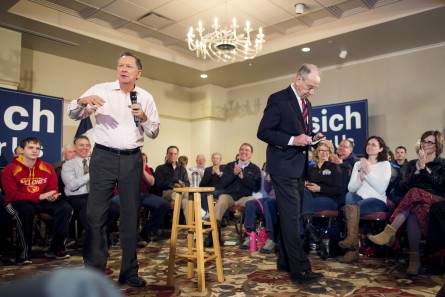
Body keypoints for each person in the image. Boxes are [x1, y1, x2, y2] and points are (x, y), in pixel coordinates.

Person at [66, 51, 160, 287]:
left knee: (130, 216)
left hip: (132, 160)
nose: (123, 69)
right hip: (104, 157)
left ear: (138, 73)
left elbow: (154, 131)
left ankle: (128, 272)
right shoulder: (102, 90)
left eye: (129, 66)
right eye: (120, 65)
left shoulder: (146, 97)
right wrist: (81, 102)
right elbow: (73, 112)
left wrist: (145, 118)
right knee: (95, 215)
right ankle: (94, 272)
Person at [257, 63, 325, 284]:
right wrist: (292, 140)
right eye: (310, 86)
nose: (312, 92)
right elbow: (263, 131)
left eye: (315, 88)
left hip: (299, 167)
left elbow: (301, 134)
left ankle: (285, 261)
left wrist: (312, 138)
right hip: (283, 167)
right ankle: (300, 269)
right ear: (298, 79)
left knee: (292, 216)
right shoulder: (278, 99)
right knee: (291, 218)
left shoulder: (308, 104)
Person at [369, 130, 445, 275]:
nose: (426, 144)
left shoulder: (441, 164)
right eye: (424, 141)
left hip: (435, 203)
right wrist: (416, 172)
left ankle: (389, 232)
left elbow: (441, 185)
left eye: (430, 142)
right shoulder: (411, 164)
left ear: (437, 145)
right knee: (412, 213)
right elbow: (402, 187)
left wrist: (424, 169)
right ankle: (414, 260)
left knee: (414, 192)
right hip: (415, 204)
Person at [1, 137, 72, 264]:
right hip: (17, 203)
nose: (35, 151)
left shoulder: (47, 168)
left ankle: (55, 249)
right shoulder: (10, 169)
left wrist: (53, 195)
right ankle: (23, 254)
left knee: (65, 208)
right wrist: (39, 196)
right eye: (31, 148)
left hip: (41, 201)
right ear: (22, 150)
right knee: (25, 210)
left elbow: (52, 188)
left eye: (37, 148)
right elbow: (12, 195)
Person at [338, 136, 391, 263]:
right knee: (349, 197)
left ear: (380, 149)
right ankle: (353, 242)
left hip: (376, 201)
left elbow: (380, 188)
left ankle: (352, 247)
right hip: (359, 199)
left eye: (374, 144)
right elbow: (351, 188)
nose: (370, 146)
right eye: (369, 144)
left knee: (351, 209)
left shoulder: (385, 164)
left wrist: (367, 172)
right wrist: (360, 178)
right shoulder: (358, 163)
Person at [61, 136, 120, 248]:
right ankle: (94, 240)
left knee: (114, 208)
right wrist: (91, 174)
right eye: (81, 145)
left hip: (95, 195)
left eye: (87, 145)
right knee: (87, 209)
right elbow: (72, 185)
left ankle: (101, 235)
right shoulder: (68, 165)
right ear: (75, 147)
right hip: (77, 197)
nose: (85, 148)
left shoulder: (96, 163)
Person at [204, 143, 261, 248]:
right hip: (229, 195)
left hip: (245, 197)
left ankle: (247, 234)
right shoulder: (229, 166)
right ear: (239, 152)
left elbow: (256, 188)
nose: (244, 152)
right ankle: (212, 234)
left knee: (252, 202)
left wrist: (243, 178)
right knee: (221, 201)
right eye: (242, 149)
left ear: (251, 154)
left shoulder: (255, 169)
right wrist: (234, 174)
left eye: (247, 150)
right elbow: (223, 183)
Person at [112, 152, 168, 244]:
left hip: (142, 195)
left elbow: (152, 182)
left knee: (162, 204)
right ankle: (130, 236)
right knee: (116, 205)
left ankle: (147, 232)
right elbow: (114, 183)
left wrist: (142, 170)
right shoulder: (122, 165)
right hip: (125, 194)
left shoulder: (144, 167)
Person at [302, 141, 343, 245]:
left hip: (329, 199)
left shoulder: (334, 167)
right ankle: (309, 228)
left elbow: (339, 190)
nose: (324, 153)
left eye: (326, 151)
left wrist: (320, 188)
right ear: (317, 152)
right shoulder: (311, 169)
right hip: (311, 198)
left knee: (298, 206)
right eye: (321, 150)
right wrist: (306, 185)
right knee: (303, 192)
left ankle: (306, 234)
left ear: (330, 153)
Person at [240, 163, 278, 254]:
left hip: (281, 199)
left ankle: (271, 239)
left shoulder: (283, 171)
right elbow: (267, 190)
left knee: (268, 204)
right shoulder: (270, 173)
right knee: (250, 204)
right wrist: (267, 176)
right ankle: (250, 235)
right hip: (269, 198)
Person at [155, 146, 190, 221]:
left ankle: (189, 227)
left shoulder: (182, 169)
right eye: (171, 154)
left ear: (177, 155)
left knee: (187, 200)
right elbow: (160, 183)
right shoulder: (160, 168)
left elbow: (187, 183)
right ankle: (175, 225)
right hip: (167, 192)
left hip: (181, 192)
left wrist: (183, 185)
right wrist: (174, 184)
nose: (173, 155)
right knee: (180, 194)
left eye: (175, 154)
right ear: (167, 155)